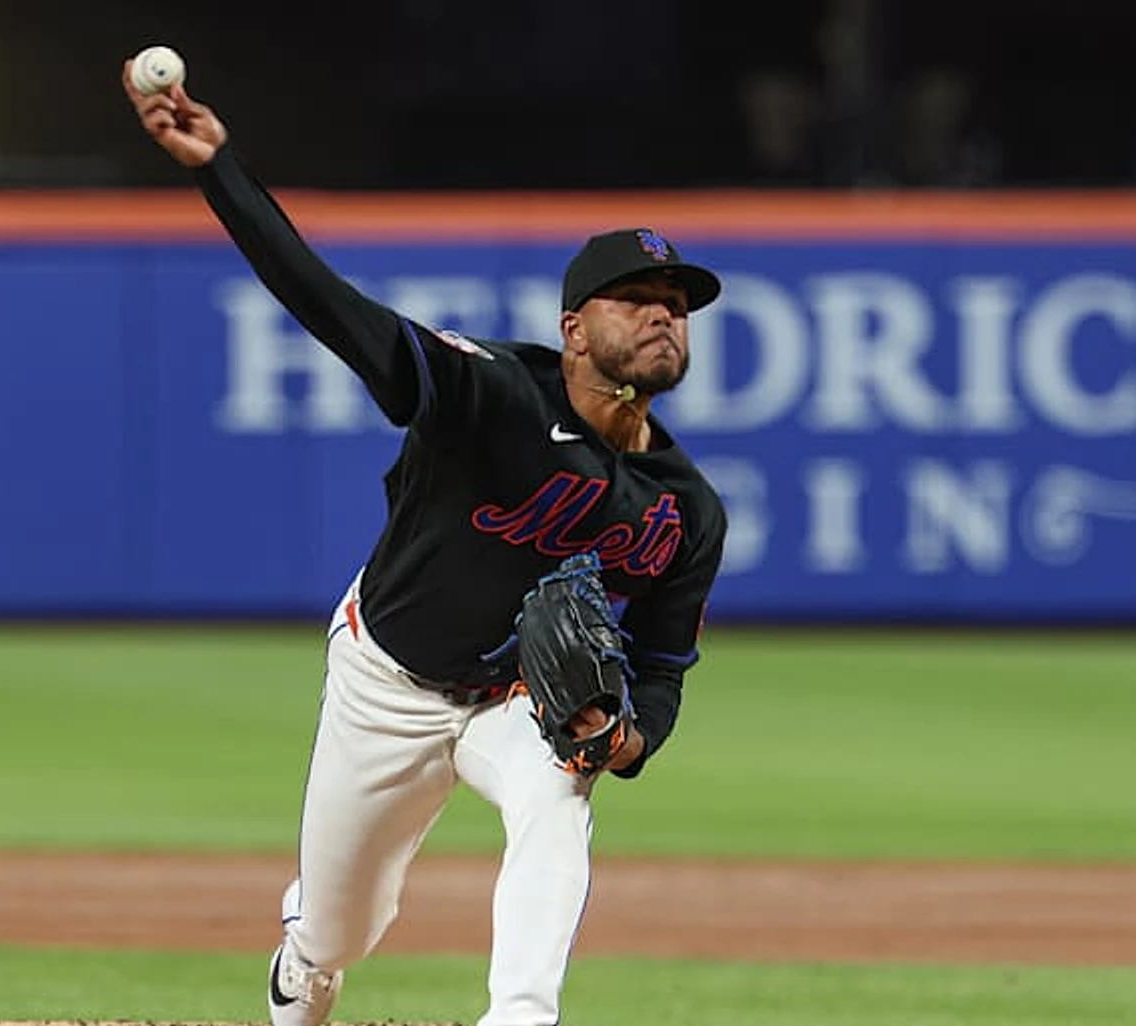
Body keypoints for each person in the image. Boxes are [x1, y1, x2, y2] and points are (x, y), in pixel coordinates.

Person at [120, 58, 730, 1026]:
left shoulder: (685, 510)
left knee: (559, 795)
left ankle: (520, 1016)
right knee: (340, 933)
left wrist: (625, 739)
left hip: (514, 702)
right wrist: (218, 171)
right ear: (574, 330)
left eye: (678, 302)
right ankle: (305, 959)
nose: (665, 312)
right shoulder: (486, 391)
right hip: (386, 681)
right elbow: (329, 305)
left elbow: (660, 666)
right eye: (636, 296)